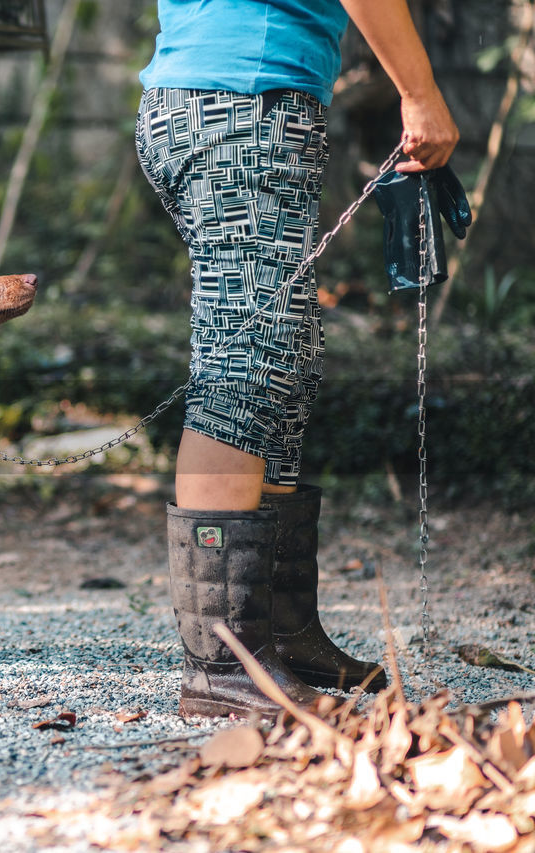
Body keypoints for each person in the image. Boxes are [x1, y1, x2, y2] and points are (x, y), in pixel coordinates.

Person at [134, 0, 459, 717]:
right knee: (246, 373)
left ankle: (278, 632)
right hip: (240, 102)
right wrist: (418, 89)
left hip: (215, 99)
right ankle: (224, 665)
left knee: (281, 363)